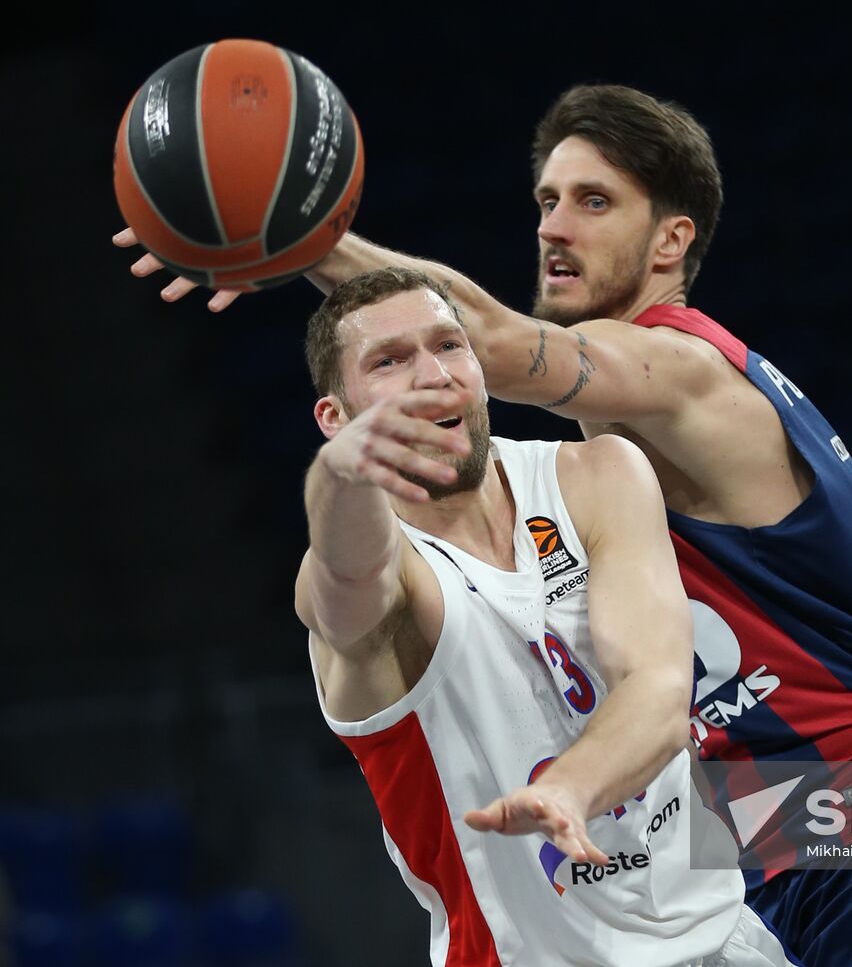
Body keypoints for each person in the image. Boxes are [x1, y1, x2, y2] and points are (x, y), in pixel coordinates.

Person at [117, 84, 852, 965]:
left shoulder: (674, 368)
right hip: (812, 827)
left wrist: (293, 231)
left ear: (673, 239)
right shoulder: (628, 424)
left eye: (594, 202)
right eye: (547, 200)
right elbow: (348, 587)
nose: (554, 227)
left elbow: (500, 349)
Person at [293, 265, 795, 966]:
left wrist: (569, 786)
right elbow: (347, 585)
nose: (434, 374)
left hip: (722, 939)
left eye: (449, 344)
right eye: (390, 361)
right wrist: (339, 477)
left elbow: (655, 687)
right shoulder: (388, 578)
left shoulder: (596, 475)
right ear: (335, 418)